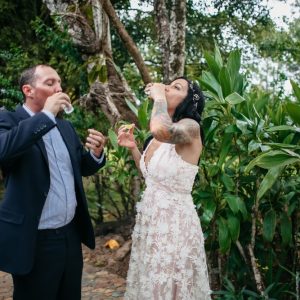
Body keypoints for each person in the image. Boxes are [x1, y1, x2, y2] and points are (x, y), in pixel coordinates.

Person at [0, 64, 106, 299]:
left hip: (70, 235)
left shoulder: (65, 127)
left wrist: (95, 154)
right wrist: (46, 115)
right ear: (28, 90)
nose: (59, 88)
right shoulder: (9, 120)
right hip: (35, 240)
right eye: (50, 83)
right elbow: (4, 151)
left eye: (59, 82)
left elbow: (79, 166)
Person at [117, 77, 211, 299]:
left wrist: (158, 95)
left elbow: (161, 128)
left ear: (188, 101)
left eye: (176, 87)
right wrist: (133, 148)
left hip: (176, 227)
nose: (167, 88)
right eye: (167, 84)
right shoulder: (155, 139)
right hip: (152, 225)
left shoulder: (191, 128)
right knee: (152, 286)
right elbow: (154, 177)